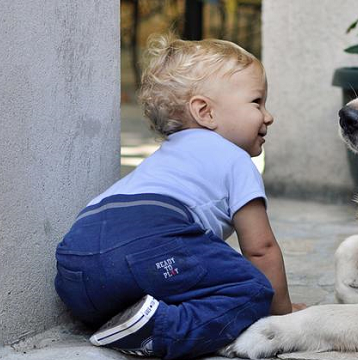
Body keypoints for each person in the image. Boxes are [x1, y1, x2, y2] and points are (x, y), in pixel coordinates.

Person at [54, 35, 303, 360]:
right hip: (148, 240)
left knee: (184, 272)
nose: (268, 116)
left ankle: (131, 318)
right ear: (205, 112)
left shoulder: (164, 157)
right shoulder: (235, 159)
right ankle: (160, 330)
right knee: (253, 290)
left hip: (75, 262)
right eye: (257, 102)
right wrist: (282, 313)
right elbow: (261, 248)